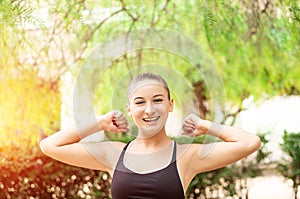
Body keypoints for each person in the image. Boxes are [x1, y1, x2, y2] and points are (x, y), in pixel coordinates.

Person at [40, 72, 261, 198]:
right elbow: (50, 146)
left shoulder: (187, 157)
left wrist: (206, 126)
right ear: (129, 108)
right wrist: (100, 122)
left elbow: (250, 142)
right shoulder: (113, 154)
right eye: (140, 102)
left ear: (170, 105)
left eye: (157, 100)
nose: (149, 109)